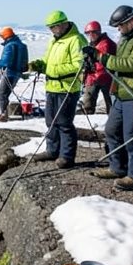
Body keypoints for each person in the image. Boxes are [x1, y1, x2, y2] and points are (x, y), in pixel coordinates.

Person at [83, 5, 133, 190]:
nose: (118, 29)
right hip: (123, 91)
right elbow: (120, 62)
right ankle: (117, 166)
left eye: (120, 25)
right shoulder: (128, 36)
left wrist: (100, 57)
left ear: (130, 21)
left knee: (132, 134)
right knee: (112, 129)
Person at [27, 10, 86, 169]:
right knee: (50, 120)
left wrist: (53, 70)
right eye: (50, 27)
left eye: (53, 27)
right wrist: (38, 65)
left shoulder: (76, 40)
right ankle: (52, 150)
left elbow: (79, 65)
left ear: (63, 24)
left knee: (64, 122)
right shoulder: (54, 41)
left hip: (67, 88)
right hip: (52, 87)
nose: (52, 30)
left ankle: (67, 156)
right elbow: (48, 61)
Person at [0, 27, 29, 122]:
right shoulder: (22, 45)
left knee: (1, 95)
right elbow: (25, 63)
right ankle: (2, 113)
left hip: (9, 73)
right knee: (4, 94)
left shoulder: (9, 46)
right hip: (17, 74)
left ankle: (3, 115)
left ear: (5, 36)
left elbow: (5, 62)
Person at [80, 21, 116, 114]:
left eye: (93, 32)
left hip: (104, 77)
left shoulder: (106, 44)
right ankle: (88, 115)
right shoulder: (94, 44)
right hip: (94, 77)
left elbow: (105, 61)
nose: (91, 35)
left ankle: (112, 120)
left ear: (98, 32)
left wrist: (91, 64)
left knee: (110, 103)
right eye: (88, 33)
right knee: (88, 102)